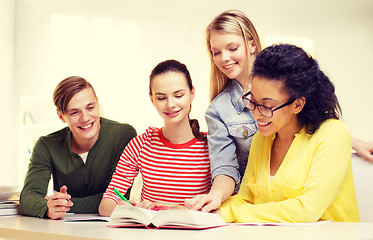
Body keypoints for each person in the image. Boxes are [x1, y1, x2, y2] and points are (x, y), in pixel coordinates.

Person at [185, 9, 373, 213]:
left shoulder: (299, 92)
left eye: (232, 48)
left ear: (251, 44)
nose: (224, 58)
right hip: (260, 218)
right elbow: (228, 171)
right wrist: (213, 201)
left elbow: (319, 127)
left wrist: (352, 141)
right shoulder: (249, 130)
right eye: (216, 52)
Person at [219, 43, 360, 223]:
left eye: (267, 106)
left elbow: (307, 210)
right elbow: (244, 200)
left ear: (297, 104)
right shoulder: (261, 139)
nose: (255, 113)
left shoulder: (333, 134)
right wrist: (205, 209)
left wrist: (229, 213)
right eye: (252, 101)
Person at [98, 60, 211, 217]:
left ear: (192, 93)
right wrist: (126, 209)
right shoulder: (141, 144)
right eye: (161, 98)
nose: (170, 104)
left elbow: (226, 206)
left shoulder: (211, 147)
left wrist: (179, 211)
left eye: (178, 95)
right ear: (152, 99)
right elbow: (106, 203)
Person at [19, 76, 137, 219]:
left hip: (112, 229)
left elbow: (118, 198)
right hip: (62, 230)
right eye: (74, 112)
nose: (85, 118)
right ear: (61, 116)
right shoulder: (47, 145)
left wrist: (62, 205)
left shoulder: (122, 135)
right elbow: (27, 198)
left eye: (90, 107)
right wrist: (48, 208)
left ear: (98, 104)